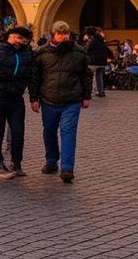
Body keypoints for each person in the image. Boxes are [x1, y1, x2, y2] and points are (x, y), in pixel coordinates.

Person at [29, 21, 90, 183]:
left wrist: (86, 96)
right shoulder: (41, 53)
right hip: (48, 99)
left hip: (72, 99)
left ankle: (67, 168)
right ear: (53, 35)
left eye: (66, 34)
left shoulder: (79, 52)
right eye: (60, 34)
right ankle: (51, 160)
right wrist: (34, 98)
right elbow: (34, 78)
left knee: (68, 131)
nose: (64, 37)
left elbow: (85, 75)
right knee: (49, 131)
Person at [0, 26, 34, 180]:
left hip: (16, 98)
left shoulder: (27, 54)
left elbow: (31, 75)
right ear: (9, 37)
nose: (19, 40)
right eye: (16, 37)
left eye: (22, 38)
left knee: (18, 131)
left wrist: (33, 96)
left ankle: (16, 163)